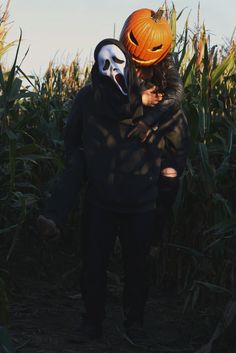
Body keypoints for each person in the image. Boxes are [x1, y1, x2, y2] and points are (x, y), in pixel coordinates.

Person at [38, 38, 163, 347]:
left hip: (140, 200)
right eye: (103, 64)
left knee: (137, 268)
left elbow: (176, 129)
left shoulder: (151, 98)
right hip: (100, 201)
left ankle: (135, 324)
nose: (111, 70)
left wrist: (166, 169)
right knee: (93, 265)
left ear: (130, 64)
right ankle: (92, 322)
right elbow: (73, 141)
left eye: (117, 62)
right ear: (96, 68)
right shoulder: (89, 99)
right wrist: (78, 170)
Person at [119, 6, 191, 245]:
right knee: (138, 180)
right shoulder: (119, 59)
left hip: (170, 127)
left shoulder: (164, 60)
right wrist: (138, 97)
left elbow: (177, 93)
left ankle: (155, 241)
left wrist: (149, 121)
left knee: (169, 180)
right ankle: (132, 238)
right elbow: (105, 94)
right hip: (141, 129)